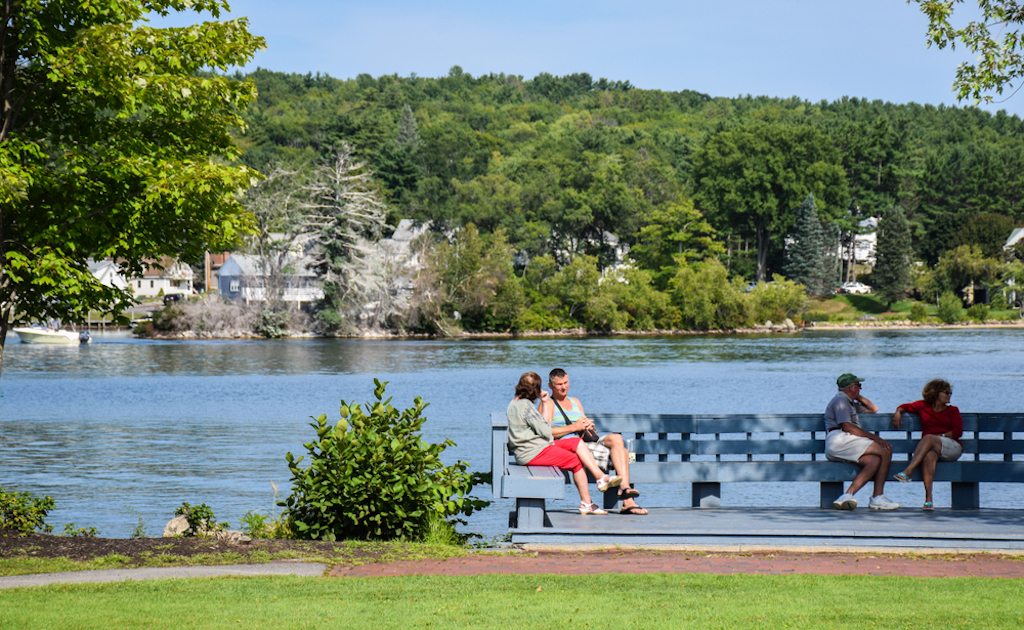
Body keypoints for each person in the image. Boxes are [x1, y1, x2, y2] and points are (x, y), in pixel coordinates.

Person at [506, 372, 622, 515]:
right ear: (535, 389)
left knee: (575, 442)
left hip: (532, 448)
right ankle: (587, 503)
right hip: (532, 452)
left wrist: (543, 401)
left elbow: (542, 428)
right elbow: (546, 431)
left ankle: (600, 478)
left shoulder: (514, 403)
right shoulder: (526, 406)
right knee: (574, 460)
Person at [538, 368, 647, 515]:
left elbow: (584, 426)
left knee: (616, 438)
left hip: (585, 441)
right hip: (569, 446)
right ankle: (627, 500)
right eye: (559, 384)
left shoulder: (575, 401)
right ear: (550, 386)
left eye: (566, 383)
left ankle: (625, 488)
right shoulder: (548, 404)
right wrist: (573, 428)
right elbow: (545, 432)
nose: (563, 387)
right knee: (624, 453)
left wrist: (588, 426)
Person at [824, 373, 900, 511]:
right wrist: (876, 438)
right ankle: (878, 497)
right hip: (840, 439)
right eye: (859, 386)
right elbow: (847, 426)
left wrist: (856, 395)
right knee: (886, 449)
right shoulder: (841, 401)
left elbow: (873, 409)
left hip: (843, 441)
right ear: (851, 387)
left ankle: (847, 495)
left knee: (874, 460)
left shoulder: (849, 402)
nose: (861, 388)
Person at [890, 379, 964, 510]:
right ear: (935, 393)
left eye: (950, 392)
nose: (949, 395)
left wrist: (939, 437)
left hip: (951, 448)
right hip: (931, 448)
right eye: (946, 392)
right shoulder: (922, 406)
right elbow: (905, 406)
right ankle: (928, 499)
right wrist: (898, 413)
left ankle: (908, 471)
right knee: (929, 456)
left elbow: (957, 432)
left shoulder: (953, 410)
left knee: (929, 438)